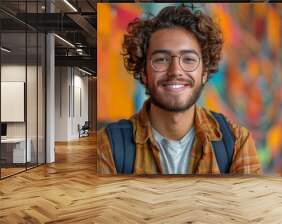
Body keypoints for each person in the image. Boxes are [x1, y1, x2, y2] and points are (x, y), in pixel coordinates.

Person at [97, 5, 261, 175]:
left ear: (204, 72)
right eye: (161, 59)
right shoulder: (108, 145)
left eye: (189, 59)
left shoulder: (237, 143)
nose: (175, 70)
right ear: (144, 72)